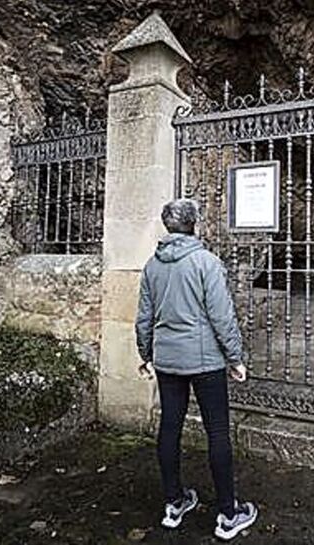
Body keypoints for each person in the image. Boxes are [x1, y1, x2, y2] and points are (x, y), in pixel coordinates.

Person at [134, 198, 258, 541]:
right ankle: (228, 514)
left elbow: (144, 315)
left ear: (167, 226)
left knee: (169, 426)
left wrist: (144, 352)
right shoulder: (207, 262)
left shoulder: (152, 266)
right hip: (205, 361)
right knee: (217, 431)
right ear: (195, 224)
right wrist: (235, 358)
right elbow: (222, 316)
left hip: (168, 360)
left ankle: (174, 503)